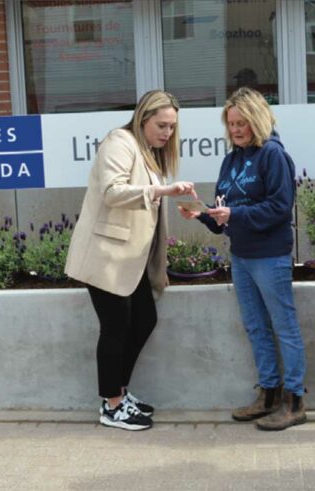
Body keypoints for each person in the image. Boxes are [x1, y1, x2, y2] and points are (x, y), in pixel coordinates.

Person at [65, 90, 197, 431]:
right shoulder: (119, 142)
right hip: (106, 255)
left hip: (130, 258)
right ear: (143, 118)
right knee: (116, 327)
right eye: (162, 125)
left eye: (172, 127)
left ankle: (118, 393)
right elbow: (112, 191)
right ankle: (111, 404)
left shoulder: (147, 151)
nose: (167, 133)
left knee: (143, 320)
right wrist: (160, 192)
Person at [179, 87, 307, 431]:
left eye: (241, 123)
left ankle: (294, 401)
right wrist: (203, 213)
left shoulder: (273, 155)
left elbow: (280, 208)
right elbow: (226, 220)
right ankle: (268, 395)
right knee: (255, 327)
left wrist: (233, 213)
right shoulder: (231, 159)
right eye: (231, 124)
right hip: (242, 256)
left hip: (270, 256)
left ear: (257, 120)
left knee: (284, 327)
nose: (235, 130)